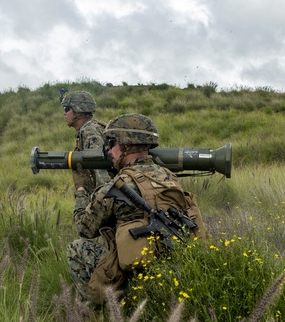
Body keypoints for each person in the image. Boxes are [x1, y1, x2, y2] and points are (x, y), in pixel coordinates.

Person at [67, 113, 206, 305]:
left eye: (111, 143)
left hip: (133, 275)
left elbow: (84, 228)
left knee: (76, 248)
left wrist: (81, 190)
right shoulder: (170, 177)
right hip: (173, 271)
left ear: (124, 146)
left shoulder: (116, 187)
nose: (108, 150)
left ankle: (96, 312)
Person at [60, 90, 110, 195]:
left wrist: (102, 199)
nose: (64, 113)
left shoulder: (89, 130)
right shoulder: (89, 128)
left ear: (78, 111)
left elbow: (98, 164)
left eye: (67, 108)